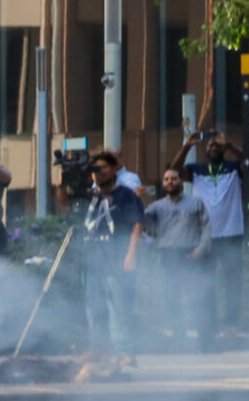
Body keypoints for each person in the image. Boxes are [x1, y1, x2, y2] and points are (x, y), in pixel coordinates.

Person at [73, 151, 145, 379]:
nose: (99, 173)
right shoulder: (88, 195)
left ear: (114, 169)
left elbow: (137, 224)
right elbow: (66, 203)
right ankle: (98, 349)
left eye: (103, 168)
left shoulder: (126, 195)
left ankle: (125, 352)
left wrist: (131, 254)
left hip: (116, 259)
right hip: (92, 260)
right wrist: (64, 183)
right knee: (94, 309)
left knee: (118, 309)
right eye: (95, 169)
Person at [177, 128, 246, 333]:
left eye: (217, 144)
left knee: (233, 280)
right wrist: (186, 147)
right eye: (210, 145)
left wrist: (230, 145)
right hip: (204, 236)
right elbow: (174, 171)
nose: (213, 146)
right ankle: (209, 323)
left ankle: (231, 323)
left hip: (231, 233)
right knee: (206, 281)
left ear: (223, 149)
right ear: (205, 151)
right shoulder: (197, 170)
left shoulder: (234, 167)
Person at [145, 165, 214, 352]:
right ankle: (178, 339)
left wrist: (200, 250)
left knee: (197, 298)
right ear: (163, 184)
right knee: (172, 298)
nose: (170, 182)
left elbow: (207, 228)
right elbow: (140, 223)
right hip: (168, 256)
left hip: (191, 255)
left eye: (174, 178)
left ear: (181, 182)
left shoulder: (196, 203)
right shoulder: (157, 206)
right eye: (166, 179)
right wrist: (136, 198)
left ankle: (204, 342)